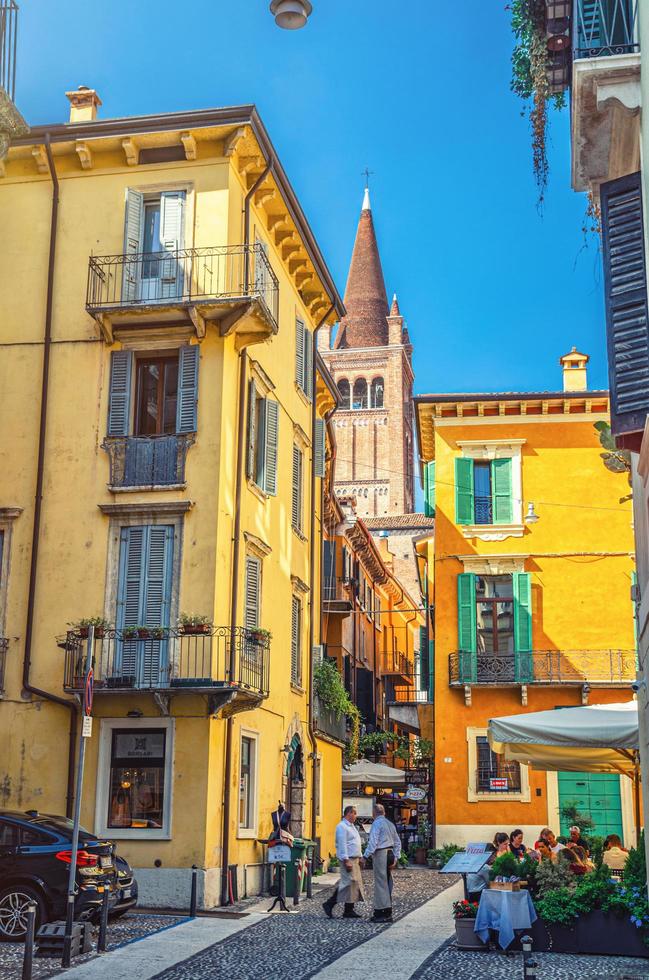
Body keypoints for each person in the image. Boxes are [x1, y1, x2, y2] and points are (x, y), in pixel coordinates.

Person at [323, 805, 365, 919]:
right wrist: (346, 860)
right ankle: (329, 904)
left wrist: (360, 857)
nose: (355, 815)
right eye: (354, 813)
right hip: (348, 859)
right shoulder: (342, 826)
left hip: (354, 859)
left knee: (353, 884)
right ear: (349, 813)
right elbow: (342, 844)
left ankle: (348, 910)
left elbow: (356, 842)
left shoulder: (352, 826)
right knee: (347, 884)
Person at [363, 803, 401, 923]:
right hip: (389, 853)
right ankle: (383, 911)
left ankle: (383, 912)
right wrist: (396, 856)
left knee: (381, 884)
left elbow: (373, 842)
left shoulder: (377, 824)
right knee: (387, 881)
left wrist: (365, 856)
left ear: (374, 814)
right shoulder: (390, 824)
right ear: (383, 812)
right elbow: (397, 841)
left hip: (381, 853)